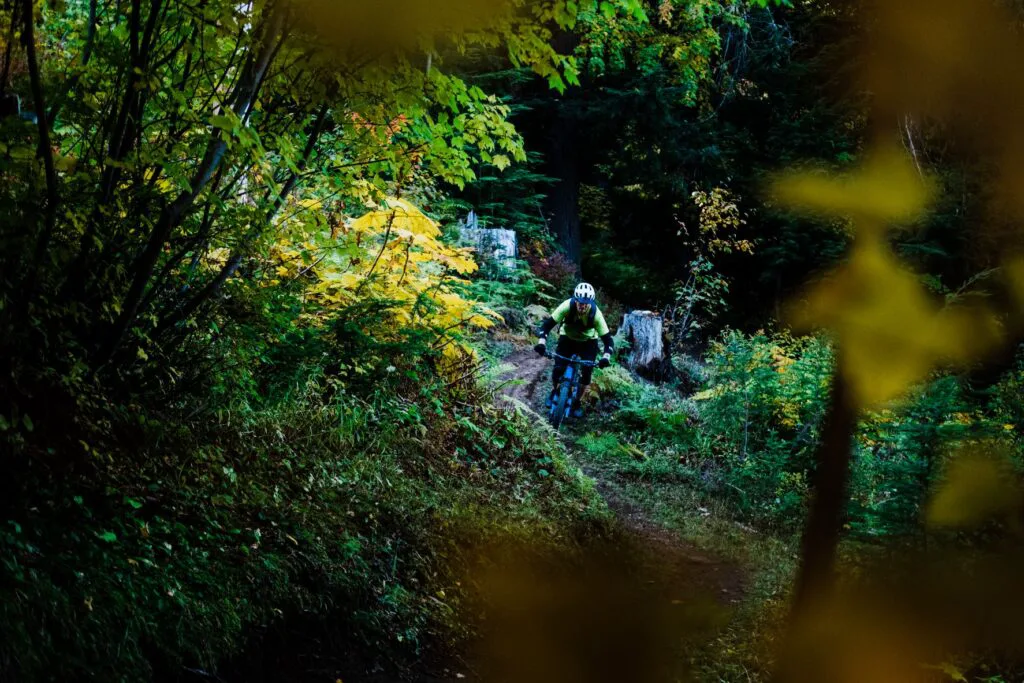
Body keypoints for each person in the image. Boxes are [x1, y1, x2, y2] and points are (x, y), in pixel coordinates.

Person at [534, 282, 613, 417]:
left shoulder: (596, 314)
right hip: (567, 338)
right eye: (580, 302)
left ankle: (577, 402)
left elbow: (608, 340)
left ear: (590, 302)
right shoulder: (566, 306)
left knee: (586, 374)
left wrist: (606, 357)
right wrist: (541, 343)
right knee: (558, 368)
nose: (582, 306)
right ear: (575, 300)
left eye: (586, 303)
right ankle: (555, 390)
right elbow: (547, 326)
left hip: (588, 342)